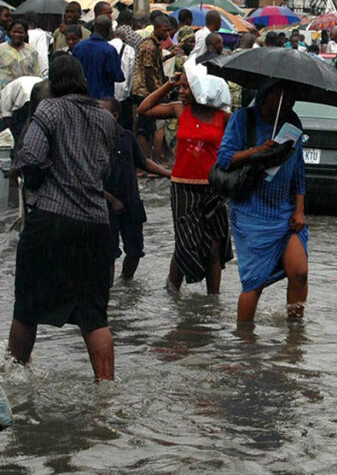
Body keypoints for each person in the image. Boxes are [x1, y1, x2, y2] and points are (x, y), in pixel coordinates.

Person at [8, 55, 120, 381]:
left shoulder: (50, 109)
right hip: (96, 224)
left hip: (52, 221)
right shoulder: (106, 119)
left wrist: (19, 168)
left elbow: (30, 156)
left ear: (53, 83)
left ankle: (14, 382)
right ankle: (106, 393)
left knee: (27, 307)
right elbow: (105, 169)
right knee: (94, 315)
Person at [216, 79, 309, 323]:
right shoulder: (243, 119)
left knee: (299, 272)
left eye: (292, 98)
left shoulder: (292, 122)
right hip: (250, 211)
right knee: (254, 282)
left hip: (284, 209)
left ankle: (295, 334)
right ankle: (245, 339)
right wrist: (257, 150)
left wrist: (299, 209)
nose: (288, 102)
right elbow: (225, 158)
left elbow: (298, 168)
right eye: (282, 97)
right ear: (266, 95)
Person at [138, 67, 233, 294]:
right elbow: (144, 109)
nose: (181, 91)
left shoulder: (225, 117)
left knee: (213, 245)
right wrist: (169, 83)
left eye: (185, 87)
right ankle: (172, 291)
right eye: (179, 86)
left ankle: (213, 299)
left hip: (214, 188)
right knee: (185, 242)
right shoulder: (180, 110)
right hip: (182, 186)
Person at [99, 97, 171, 285]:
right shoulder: (92, 139)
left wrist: (169, 174)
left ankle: (126, 284)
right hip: (105, 204)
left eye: (103, 112)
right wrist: (112, 200)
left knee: (135, 250)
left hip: (131, 201)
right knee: (109, 252)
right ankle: (108, 292)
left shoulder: (127, 137)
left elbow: (144, 162)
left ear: (115, 116)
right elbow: (89, 178)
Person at [133, 16, 170, 163]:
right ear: (156, 28)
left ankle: (148, 159)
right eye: (164, 30)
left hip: (149, 91)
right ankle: (145, 161)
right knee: (145, 128)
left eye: (168, 31)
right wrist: (158, 93)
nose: (167, 34)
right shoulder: (149, 46)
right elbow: (148, 74)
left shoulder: (155, 45)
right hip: (144, 92)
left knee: (149, 126)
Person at [72, 16, 125, 99]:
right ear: (108, 29)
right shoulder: (109, 50)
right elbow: (117, 76)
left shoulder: (79, 47)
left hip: (81, 98)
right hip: (102, 99)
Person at [0, 20, 41, 91]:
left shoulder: (31, 51)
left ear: (25, 34)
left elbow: (37, 74)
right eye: (14, 32)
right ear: (9, 32)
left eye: (20, 32)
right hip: (4, 92)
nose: (17, 35)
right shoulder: (1, 49)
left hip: (24, 92)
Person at [109, 23, 136, 130]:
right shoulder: (129, 50)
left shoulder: (105, 46)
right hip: (123, 95)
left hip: (108, 93)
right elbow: (131, 73)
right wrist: (128, 91)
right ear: (124, 38)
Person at [24, 13, 51, 78]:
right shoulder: (40, 34)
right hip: (35, 71)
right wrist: (45, 75)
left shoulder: (20, 33)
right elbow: (42, 56)